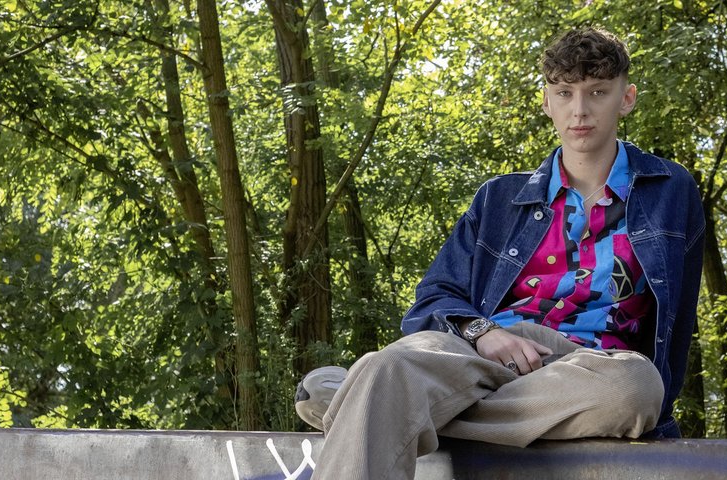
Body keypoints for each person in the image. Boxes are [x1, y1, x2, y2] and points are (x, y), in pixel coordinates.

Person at [294, 26, 705, 480]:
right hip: (484, 354)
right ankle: (386, 395)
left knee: (637, 388)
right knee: (387, 363)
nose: (580, 110)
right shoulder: (499, 198)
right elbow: (432, 298)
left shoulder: (670, 189)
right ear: (546, 102)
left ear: (625, 99)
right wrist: (483, 332)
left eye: (597, 92)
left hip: (585, 370)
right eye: (564, 93)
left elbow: (678, 322)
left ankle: (375, 403)